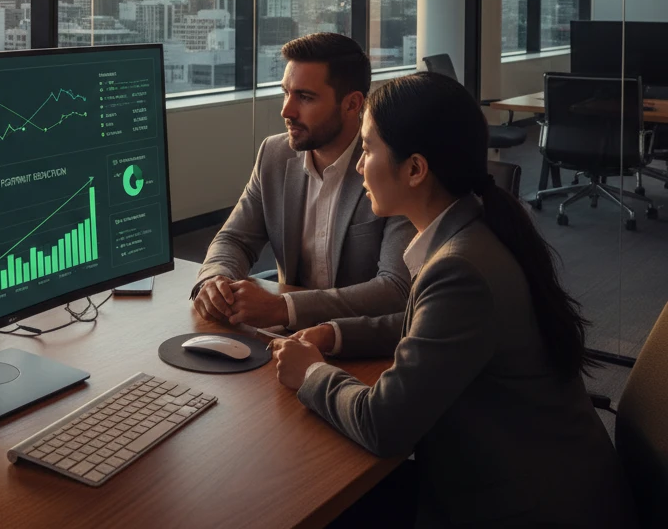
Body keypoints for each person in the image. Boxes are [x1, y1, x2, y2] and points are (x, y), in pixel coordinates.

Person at [271, 72, 635, 529]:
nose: (360, 166)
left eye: (366, 150)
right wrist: (336, 334)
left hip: (520, 506)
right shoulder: (475, 227)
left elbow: (384, 426)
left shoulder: (460, 268)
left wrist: (310, 372)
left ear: (416, 169)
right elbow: (426, 327)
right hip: (539, 477)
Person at [192, 33, 415, 331]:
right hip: (287, 339)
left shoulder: (388, 167)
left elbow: (394, 288)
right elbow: (235, 239)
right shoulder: (273, 154)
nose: (287, 111)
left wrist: (286, 308)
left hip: (364, 341)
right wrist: (215, 279)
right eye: (286, 93)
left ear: (352, 104)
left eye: (305, 97)